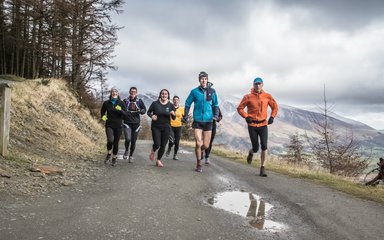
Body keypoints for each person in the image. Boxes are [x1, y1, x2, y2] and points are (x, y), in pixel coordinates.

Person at [237, 77, 278, 177]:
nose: (258, 85)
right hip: (252, 125)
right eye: (256, 84)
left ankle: (262, 168)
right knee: (256, 148)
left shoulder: (267, 96)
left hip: (263, 124)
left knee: (264, 146)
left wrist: (272, 116)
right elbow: (240, 108)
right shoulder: (248, 97)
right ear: (253, 85)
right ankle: (251, 153)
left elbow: (275, 106)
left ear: (262, 85)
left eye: (259, 84)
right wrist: (246, 116)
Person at [183, 71, 219, 172]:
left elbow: (215, 104)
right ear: (199, 80)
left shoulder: (212, 91)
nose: (204, 80)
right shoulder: (194, 91)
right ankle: (199, 164)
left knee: (206, 145)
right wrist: (185, 114)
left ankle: (201, 151)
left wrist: (216, 115)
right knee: (198, 143)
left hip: (208, 121)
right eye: (202, 79)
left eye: (205, 79)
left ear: (207, 80)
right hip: (198, 120)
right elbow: (187, 103)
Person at [147, 89, 176, 167]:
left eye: (166, 94)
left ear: (168, 95)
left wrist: (173, 114)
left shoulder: (170, 105)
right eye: (162, 94)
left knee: (163, 145)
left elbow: (174, 118)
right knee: (157, 143)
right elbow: (148, 112)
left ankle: (158, 160)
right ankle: (153, 150)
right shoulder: (155, 103)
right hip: (156, 126)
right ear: (160, 95)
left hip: (166, 127)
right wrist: (152, 116)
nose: (164, 95)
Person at [100, 88, 127, 166]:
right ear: (111, 94)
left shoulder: (121, 103)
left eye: (115, 92)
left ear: (118, 94)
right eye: (113, 92)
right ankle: (109, 153)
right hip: (109, 124)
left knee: (116, 143)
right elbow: (102, 111)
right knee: (110, 140)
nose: (114, 93)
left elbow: (125, 114)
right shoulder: (106, 103)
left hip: (118, 125)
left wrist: (121, 110)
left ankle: (114, 158)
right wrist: (103, 117)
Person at [122, 87, 147, 163]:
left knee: (133, 141)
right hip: (127, 122)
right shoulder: (125, 101)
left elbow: (144, 110)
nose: (133, 93)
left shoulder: (139, 101)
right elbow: (121, 110)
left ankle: (131, 156)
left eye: (134, 91)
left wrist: (141, 111)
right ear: (129, 92)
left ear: (136, 93)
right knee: (128, 139)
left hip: (136, 124)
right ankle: (126, 150)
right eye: (132, 91)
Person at [165, 95, 184, 160]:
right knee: (171, 141)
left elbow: (185, 117)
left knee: (177, 142)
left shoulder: (181, 109)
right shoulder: (170, 107)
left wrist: (184, 119)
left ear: (178, 101)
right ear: (173, 101)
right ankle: (169, 148)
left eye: (177, 100)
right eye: (174, 100)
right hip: (171, 126)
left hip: (179, 126)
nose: (176, 101)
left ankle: (175, 155)